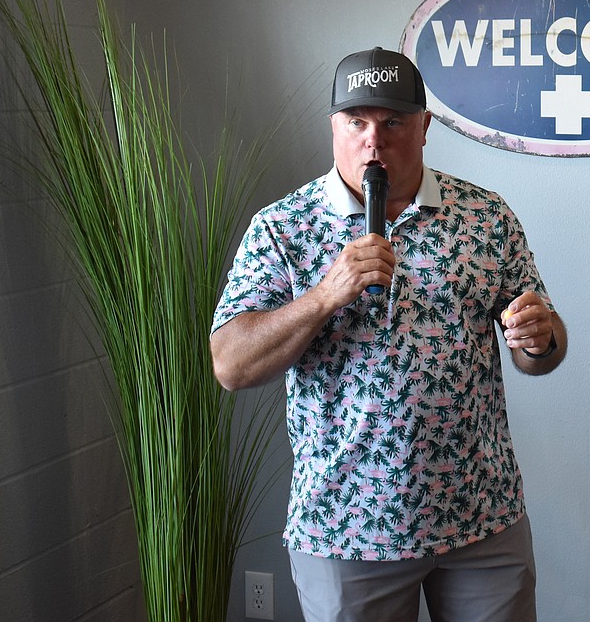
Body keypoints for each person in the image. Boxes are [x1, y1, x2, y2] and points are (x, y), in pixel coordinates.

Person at [210, 47, 566, 622]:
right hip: (347, 528)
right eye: (356, 122)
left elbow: (541, 355)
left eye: (393, 122)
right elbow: (230, 365)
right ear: (335, 128)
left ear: (424, 127)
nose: (373, 140)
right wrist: (326, 296)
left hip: (481, 518)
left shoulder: (485, 216)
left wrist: (540, 338)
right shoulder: (283, 227)